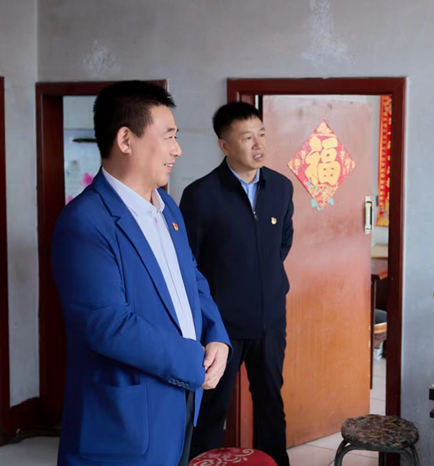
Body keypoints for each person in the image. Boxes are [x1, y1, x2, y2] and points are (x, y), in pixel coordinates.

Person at [51, 81, 231, 466]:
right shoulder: (85, 222)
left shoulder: (167, 207)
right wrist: (194, 362)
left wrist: (216, 333)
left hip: (179, 404)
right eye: (169, 136)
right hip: (125, 423)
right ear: (125, 140)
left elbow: (192, 279)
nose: (177, 150)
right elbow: (108, 324)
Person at [180, 102, 294, 465]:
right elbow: (189, 263)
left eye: (261, 134)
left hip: (269, 320)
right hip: (221, 327)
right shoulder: (201, 195)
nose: (258, 144)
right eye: (247, 137)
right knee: (212, 407)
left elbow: (282, 245)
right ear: (224, 145)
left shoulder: (281, 187)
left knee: (271, 403)